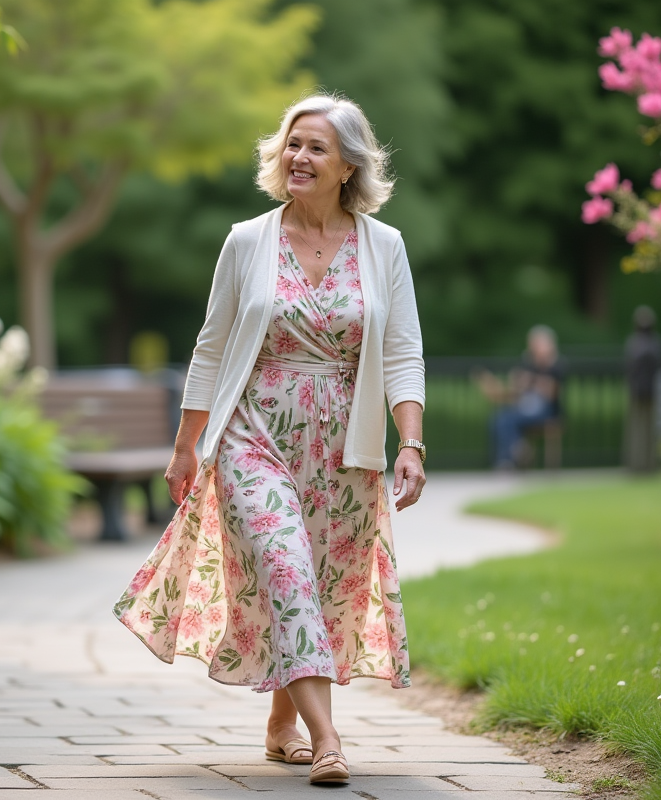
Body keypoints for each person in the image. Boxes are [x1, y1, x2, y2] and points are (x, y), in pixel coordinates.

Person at [112, 94, 426, 786]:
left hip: (346, 448)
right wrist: (186, 446)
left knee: (320, 587)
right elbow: (211, 347)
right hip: (253, 436)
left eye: (316, 147)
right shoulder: (247, 240)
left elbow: (404, 350)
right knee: (286, 568)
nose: (299, 157)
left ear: (348, 166)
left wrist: (411, 443)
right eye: (292, 143)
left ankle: (282, 724)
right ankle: (328, 738)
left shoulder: (385, 246)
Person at [477, 325, 563, 469]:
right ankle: (510, 455)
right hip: (524, 406)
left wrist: (531, 381)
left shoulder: (556, 366)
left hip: (546, 410)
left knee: (509, 419)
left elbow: (552, 393)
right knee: (501, 419)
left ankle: (514, 453)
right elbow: (516, 384)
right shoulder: (527, 363)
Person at [624, 306, 661, 472]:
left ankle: (638, 464)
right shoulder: (656, 344)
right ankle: (646, 464)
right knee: (647, 429)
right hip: (648, 392)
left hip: (638, 392)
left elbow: (629, 368)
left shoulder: (633, 343)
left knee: (637, 429)